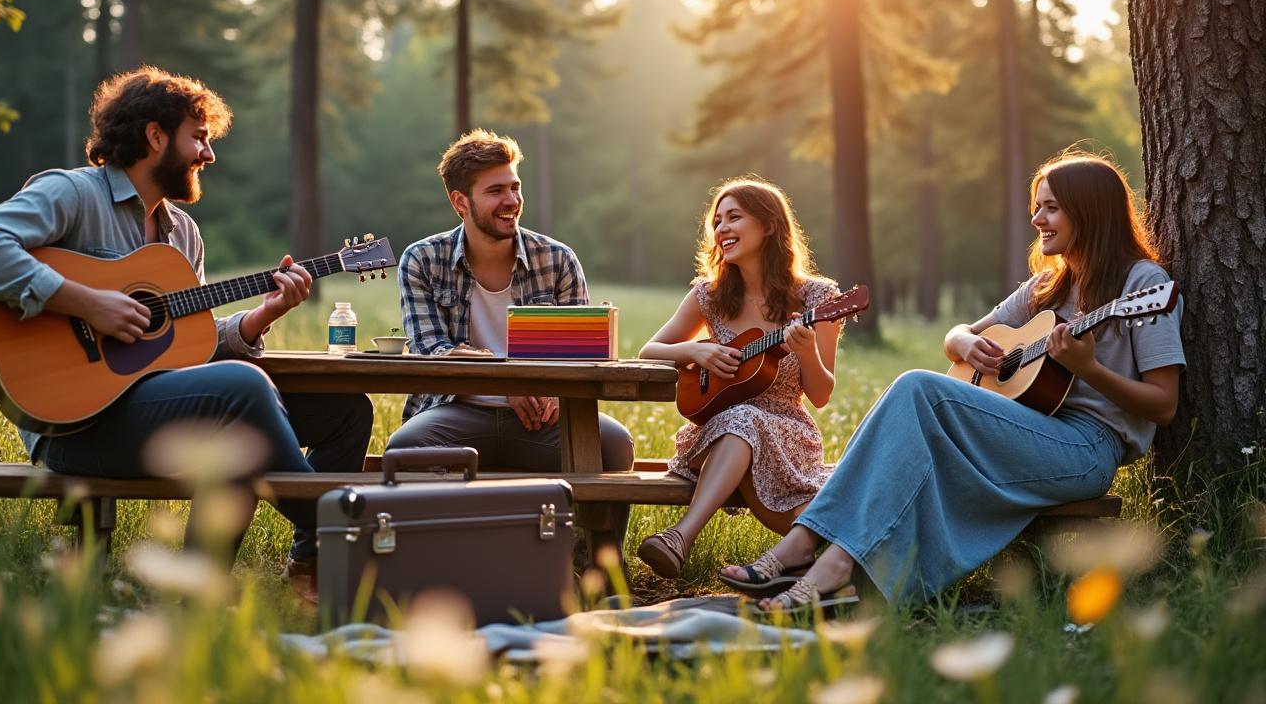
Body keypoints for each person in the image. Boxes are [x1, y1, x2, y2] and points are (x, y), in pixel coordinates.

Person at [0, 66, 373, 600]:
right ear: (154, 136)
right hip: (74, 427)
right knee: (240, 389)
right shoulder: (73, 193)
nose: (208, 155)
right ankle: (343, 532)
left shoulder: (182, 233)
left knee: (345, 410)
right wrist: (89, 303)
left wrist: (263, 316)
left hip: (150, 408)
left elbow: (181, 341)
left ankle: (251, 581)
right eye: (199, 138)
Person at [720, 150, 1184, 610]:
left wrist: (1091, 371)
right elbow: (959, 335)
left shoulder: (1143, 285)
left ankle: (809, 547)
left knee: (918, 389)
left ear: (1089, 211)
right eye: (1035, 207)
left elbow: (1163, 405)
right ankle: (836, 566)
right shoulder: (1048, 287)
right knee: (915, 419)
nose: (1037, 219)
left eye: (1050, 208)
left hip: (1086, 451)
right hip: (1027, 430)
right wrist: (962, 344)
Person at [387, 129, 634, 511]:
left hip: (542, 422)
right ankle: (434, 559)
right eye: (496, 191)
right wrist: (508, 383)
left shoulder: (557, 259)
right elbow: (432, 351)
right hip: (455, 411)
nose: (512, 201)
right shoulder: (422, 259)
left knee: (613, 443)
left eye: (515, 187)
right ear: (460, 203)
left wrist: (553, 391)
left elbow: (580, 359)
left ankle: (593, 565)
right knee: (404, 449)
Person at [635, 175, 843, 580]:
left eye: (734, 217)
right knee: (740, 418)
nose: (721, 229)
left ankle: (683, 538)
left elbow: (820, 395)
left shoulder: (817, 299)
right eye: (717, 221)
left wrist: (807, 352)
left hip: (788, 433)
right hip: (714, 433)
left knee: (834, 507)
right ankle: (684, 540)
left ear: (768, 225)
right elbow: (649, 350)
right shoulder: (708, 295)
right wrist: (694, 350)